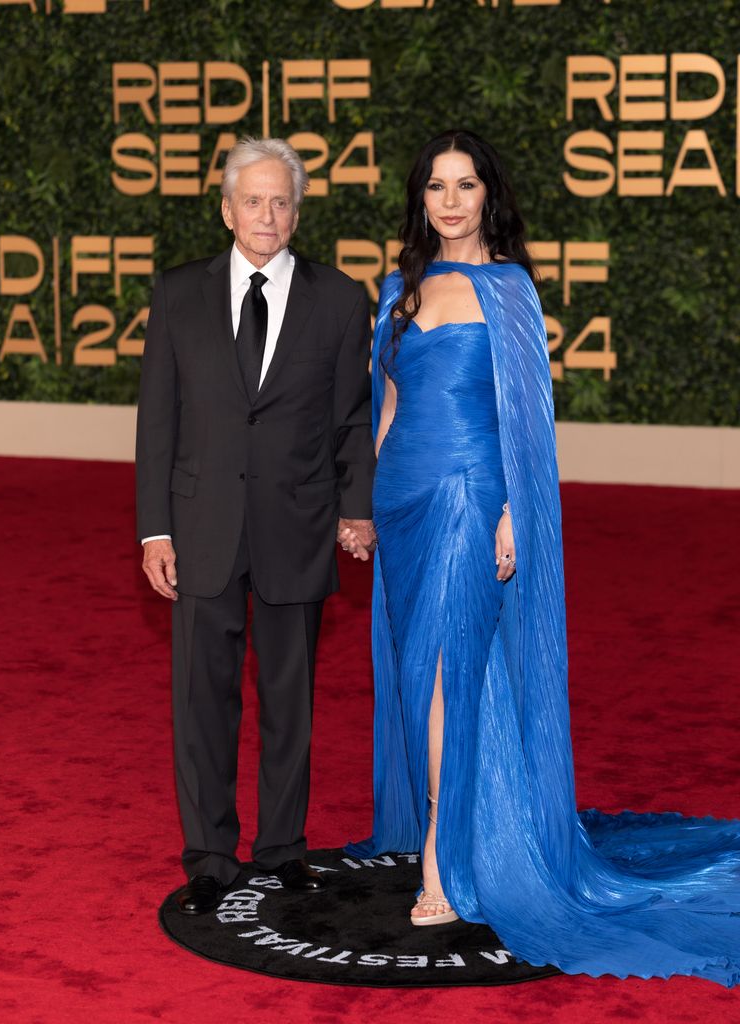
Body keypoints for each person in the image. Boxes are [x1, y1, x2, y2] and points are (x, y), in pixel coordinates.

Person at [345, 129, 740, 985]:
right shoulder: (396, 291)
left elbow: (529, 424)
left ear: (491, 196)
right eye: (436, 187)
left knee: (450, 671)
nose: (449, 201)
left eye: (466, 185)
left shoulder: (510, 290)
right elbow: (388, 406)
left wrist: (519, 515)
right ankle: (468, 830)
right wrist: (365, 508)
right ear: (421, 199)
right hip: (405, 504)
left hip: (471, 498)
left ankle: (442, 868)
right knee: (424, 675)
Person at [137, 137, 376, 916]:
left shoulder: (339, 301)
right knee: (202, 703)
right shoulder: (177, 295)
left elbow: (351, 420)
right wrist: (153, 530)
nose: (266, 215)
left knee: (289, 700)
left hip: (296, 527)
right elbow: (157, 424)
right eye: (253, 200)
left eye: (281, 202)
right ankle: (210, 853)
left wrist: (355, 506)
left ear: (297, 212)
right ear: (226, 208)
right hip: (200, 527)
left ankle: (281, 848)